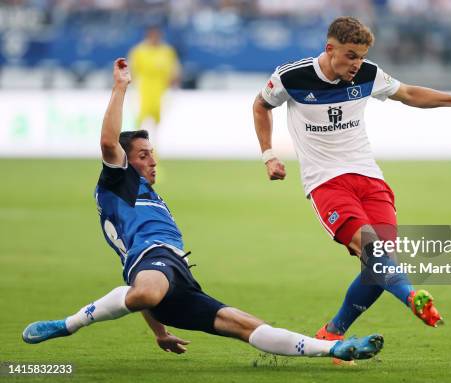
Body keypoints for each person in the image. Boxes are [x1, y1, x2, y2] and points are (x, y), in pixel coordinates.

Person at [22, 58, 384, 363]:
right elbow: (107, 142)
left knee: (247, 326)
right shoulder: (118, 182)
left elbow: (141, 281)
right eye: (144, 155)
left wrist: (160, 331)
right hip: (156, 263)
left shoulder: (149, 195)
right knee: (148, 291)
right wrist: (120, 87)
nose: (152, 162)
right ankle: (68, 324)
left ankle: (335, 347)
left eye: (154, 154)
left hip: (174, 275)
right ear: (125, 160)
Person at [253, 16, 451, 359]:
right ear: (329, 49)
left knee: (380, 264)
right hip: (327, 182)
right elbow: (261, 105)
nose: (356, 64)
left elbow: (408, 93)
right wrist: (269, 155)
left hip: (369, 178)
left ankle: (332, 333)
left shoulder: (368, 74)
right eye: (350, 56)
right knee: (374, 250)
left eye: (361, 56)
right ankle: (411, 296)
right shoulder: (292, 76)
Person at [129, 26, 180, 135]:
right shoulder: (139, 51)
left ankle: (154, 147)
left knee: (159, 121)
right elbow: (132, 70)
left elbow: (174, 69)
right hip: (142, 90)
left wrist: (174, 82)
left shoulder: (167, 51)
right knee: (139, 119)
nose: (154, 38)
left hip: (161, 90)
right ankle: (134, 145)